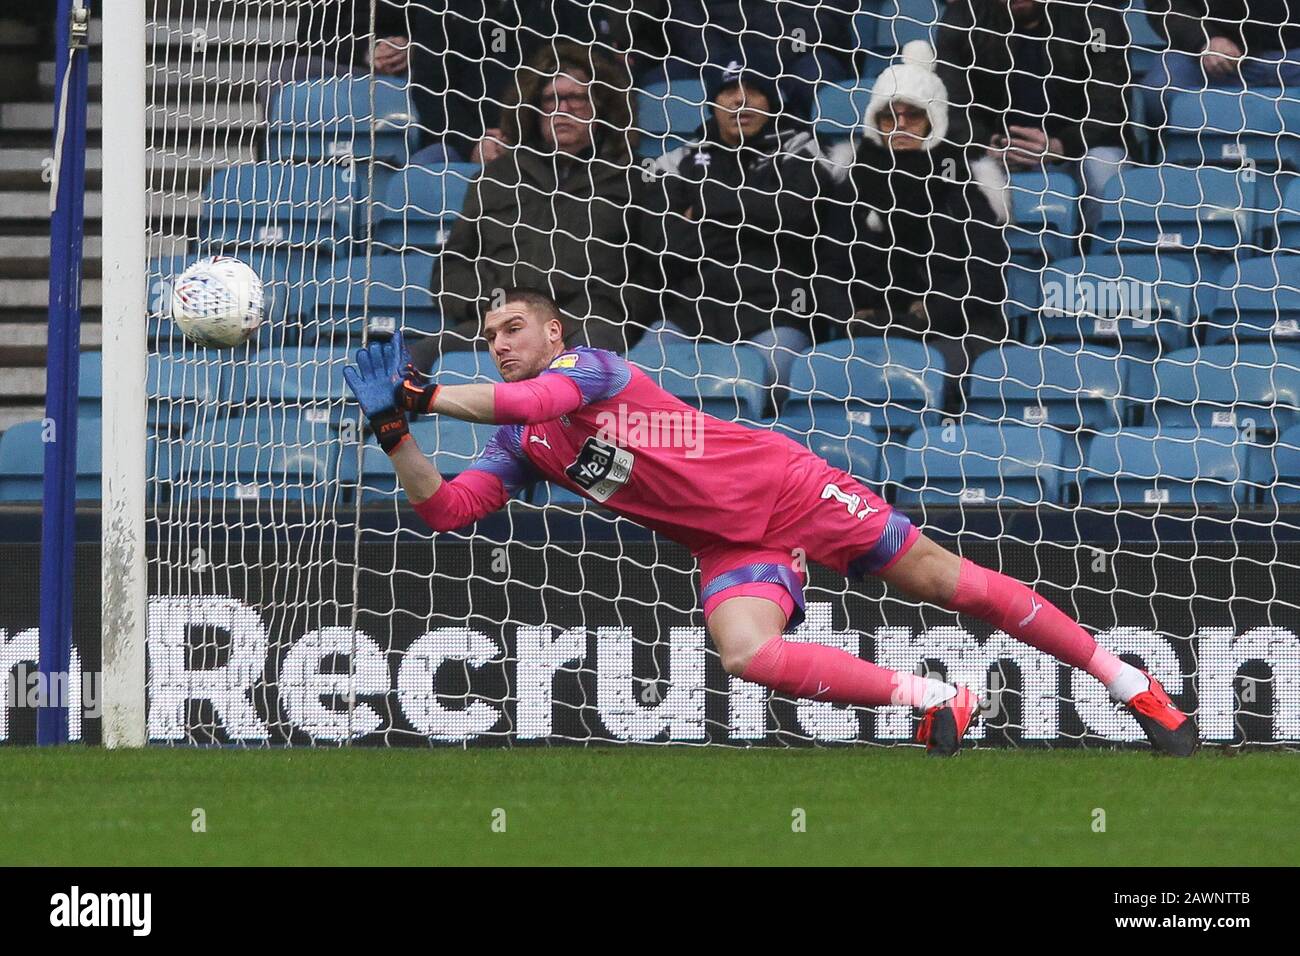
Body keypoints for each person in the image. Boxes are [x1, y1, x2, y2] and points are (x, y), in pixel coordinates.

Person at [341, 288, 1200, 757]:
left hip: (790, 488)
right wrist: (395, 432)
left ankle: (1130, 683)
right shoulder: (527, 444)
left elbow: (532, 395)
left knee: (955, 586)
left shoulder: (589, 369)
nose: (499, 341)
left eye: (513, 326)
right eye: (488, 333)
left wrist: (427, 394)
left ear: (555, 330)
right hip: (730, 542)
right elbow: (447, 510)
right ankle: (937, 698)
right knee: (747, 655)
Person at [407, 42, 656, 371]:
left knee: (582, 363)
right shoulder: (497, 176)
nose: (562, 109)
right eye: (551, 99)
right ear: (534, 108)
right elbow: (451, 269)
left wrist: (607, 309)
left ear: (601, 106)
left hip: (587, 325)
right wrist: (497, 308)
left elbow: (653, 273)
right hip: (503, 322)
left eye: (576, 99)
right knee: (418, 358)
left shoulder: (635, 176)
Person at [828, 40, 1009, 403]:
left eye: (913, 114)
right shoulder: (853, 179)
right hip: (870, 331)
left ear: (933, 120)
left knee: (934, 371)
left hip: (952, 329)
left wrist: (931, 312)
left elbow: (986, 272)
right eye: (890, 115)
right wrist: (848, 314)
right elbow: (826, 264)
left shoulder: (962, 179)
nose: (901, 125)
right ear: (875, 121)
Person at [644, 62, 840, 394]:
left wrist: (706, 208)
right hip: (692, 313)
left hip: (775, 311)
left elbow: (793, 216)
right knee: (638, 376)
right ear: (712, 102)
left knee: (771, 375)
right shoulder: (678, 160)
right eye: (729, 91)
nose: (740, 100)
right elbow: (665, 244)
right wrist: (755, 221)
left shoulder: (805, 149)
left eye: (754, 90)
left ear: (773, 99)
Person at [935, 0, 1132, 236]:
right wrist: (989, 142)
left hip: (1078, 147)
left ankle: (1100, 259)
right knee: (944, 168)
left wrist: (1061, 145)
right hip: (996, 149)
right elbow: (950, 105)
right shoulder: (963, 18)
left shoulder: (1095, 18)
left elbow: (1110, 107)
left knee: (1103, 168)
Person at [1139, 1, 1300, 133]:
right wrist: (1206, 39)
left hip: (1294, 54)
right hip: (1210, 51)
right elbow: (1165, 5)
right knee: (1159, 90)